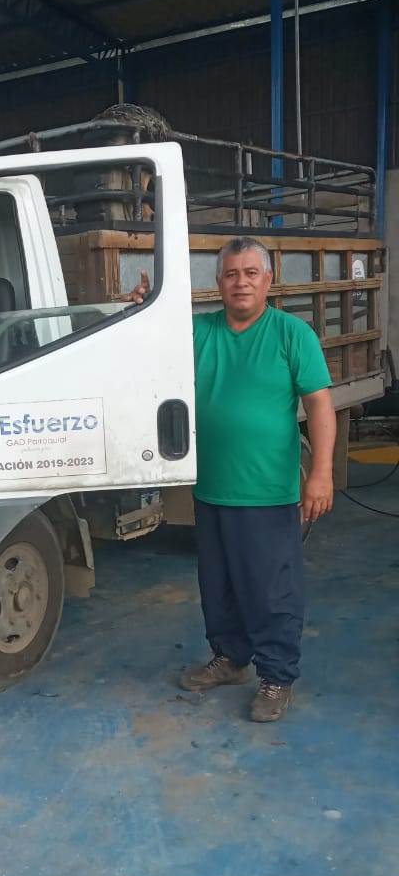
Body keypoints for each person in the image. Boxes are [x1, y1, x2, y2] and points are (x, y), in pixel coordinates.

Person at [123, 236, 335, 722]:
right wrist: (139, 309)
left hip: (268, 493)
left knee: (271, 591)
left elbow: (320, 405)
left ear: (269, 280)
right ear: (218, 282)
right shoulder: (198, 332)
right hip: (211, 489)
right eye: (232, 274)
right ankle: (231, 658)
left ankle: (277, 676)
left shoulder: (291, 334)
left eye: (251, 273)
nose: (242, 282)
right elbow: (145, 344)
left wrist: (321, 473)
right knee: (217, 586)